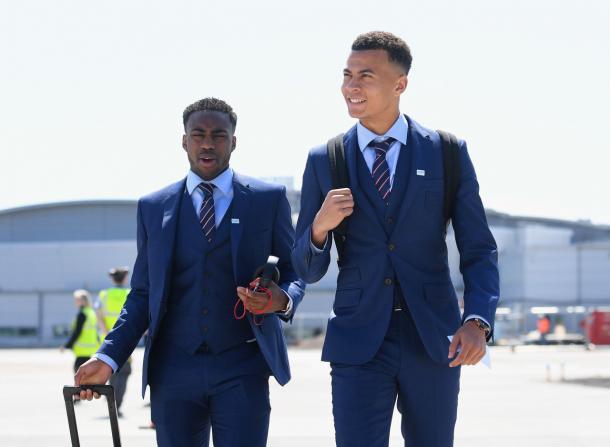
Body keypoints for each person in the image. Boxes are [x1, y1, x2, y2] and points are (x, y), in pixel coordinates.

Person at [292, 31, 499, 447]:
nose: (351, 86)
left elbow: (478, 248)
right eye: (347, 75)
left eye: (365, 76)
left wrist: (478, 320)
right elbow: (307, 269)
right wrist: (318, 228)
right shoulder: (325, 159)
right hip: (358, 340)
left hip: (433, 338)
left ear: (399, 84)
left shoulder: (446, 152)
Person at [74, 97, 305, 446]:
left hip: (242, 364)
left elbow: (294, 268)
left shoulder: (266, 199)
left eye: (219, 135)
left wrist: (282, 299)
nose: (208, 143)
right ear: (184, 141)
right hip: (173, 369)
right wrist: (108, 357)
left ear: (234, 141)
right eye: (198, 134)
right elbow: (142, 293)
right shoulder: (153, 207)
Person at [95, 266, 132, 417]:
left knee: (111, 370)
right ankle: (118, 403)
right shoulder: (129, 293)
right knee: (124, 372)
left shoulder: (104, 295)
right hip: (127, 340)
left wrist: (106, 332)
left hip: (108, 340)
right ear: (125, 278)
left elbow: (97, 312)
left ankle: (112, 401)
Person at [61, 289, 100, 373]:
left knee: (79, 378)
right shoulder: (91, 312)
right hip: (90, 350)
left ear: (82, 301)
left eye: (76, 300)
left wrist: (66, 345)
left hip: (82, 350)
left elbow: (77, 332)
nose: (75, 302)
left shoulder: (82, 314)